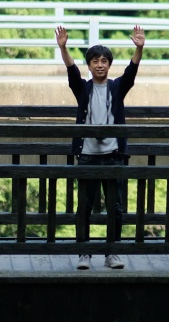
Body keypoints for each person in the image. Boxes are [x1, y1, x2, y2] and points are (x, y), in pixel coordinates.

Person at [57, 24, 145, 271]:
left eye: (104, 61)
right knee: (84, 205)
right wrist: (63, 47)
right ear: (90, 65)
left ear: (109, 65)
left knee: (115, 206)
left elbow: (131, 72)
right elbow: (71, 71)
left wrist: (139, 49)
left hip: (113, 154)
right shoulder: (83, 88)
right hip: (87, 155)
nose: (100, 65)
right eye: (95, 61)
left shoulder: (117, 87)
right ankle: (84, 253)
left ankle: (112, 252)